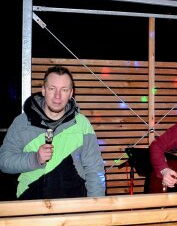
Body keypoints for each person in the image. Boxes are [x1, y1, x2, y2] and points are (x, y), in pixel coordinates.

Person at [0, 66, 105, 199]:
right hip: (30, 206)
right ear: (43, 90)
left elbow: (95, 169)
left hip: (72, 207)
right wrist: (35, 159)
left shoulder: (82, 124)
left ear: (71, 93)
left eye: (64, 90)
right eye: (52, 88)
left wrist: (96, 207)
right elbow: (3, 162)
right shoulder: (22, 122)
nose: (57, 96)